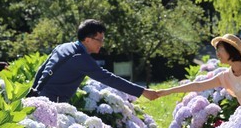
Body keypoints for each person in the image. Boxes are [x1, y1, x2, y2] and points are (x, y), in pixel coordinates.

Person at [28, 19, 158, 102]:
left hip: (38, 97)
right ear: (87, 39)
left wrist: (34, 91)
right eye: (99, 40)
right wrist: (143, 91)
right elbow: (109, 78)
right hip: (52, 103)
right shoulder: (80, 58)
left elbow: (41, 70)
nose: (101, 44)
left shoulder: (63, 47)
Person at [156, 34, 241, 104]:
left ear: (231, 50)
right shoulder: (225, 77)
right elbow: (198, 86)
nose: (217, 54)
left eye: (220, 50)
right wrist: (166, 91)